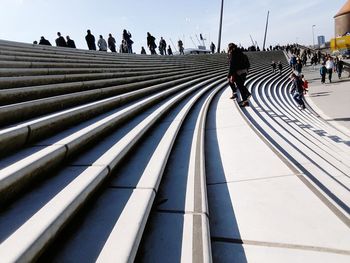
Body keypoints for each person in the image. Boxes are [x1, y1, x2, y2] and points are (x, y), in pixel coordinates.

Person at [227, 43, 251, 107]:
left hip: (238, 72)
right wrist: (246, 70)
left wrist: (229, 75)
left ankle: (244, 97)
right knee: (240, 86)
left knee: (236, 84)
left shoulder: (233, 54)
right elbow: (248, 63)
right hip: (244, 71)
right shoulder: (242, 53)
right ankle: (245, 99)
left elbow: (232, 66)